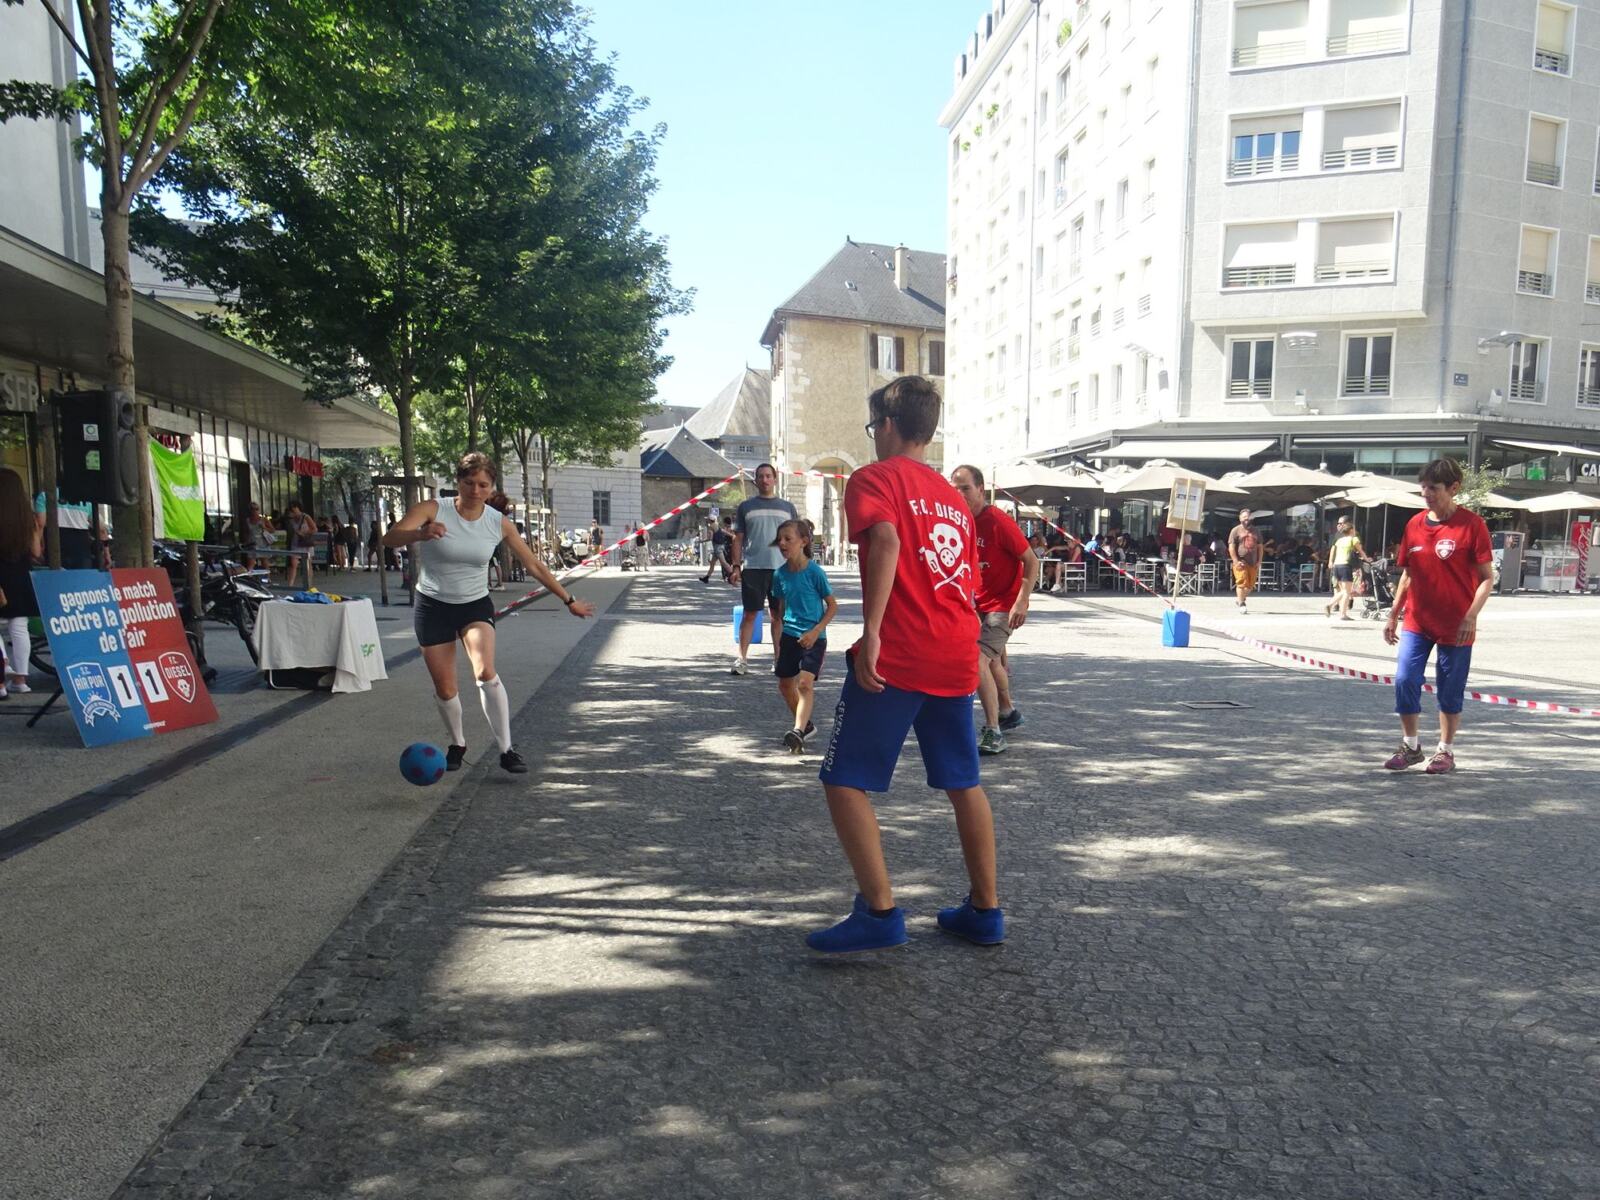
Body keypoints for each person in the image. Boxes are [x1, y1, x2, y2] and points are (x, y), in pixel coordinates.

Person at [809, 375, 1002, 954]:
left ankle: (880, 911)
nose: (873, 438)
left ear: (888, 425)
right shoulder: (954, 498)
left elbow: (887, 542)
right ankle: (985, 911)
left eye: (873, 428)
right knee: (963, 781)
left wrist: (870, 632)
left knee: (844, 779)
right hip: (954, 651)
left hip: (899, 651)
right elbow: (965, 579)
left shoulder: (873, 478)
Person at [385, 452, 596, 775]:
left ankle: (506, 749)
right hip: (433, 605)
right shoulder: (431, 510)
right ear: (458, 482)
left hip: (474, 604)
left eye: (483, 484)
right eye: (469, 483)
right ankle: (457, 743)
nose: (475, 490)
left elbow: (534, 565)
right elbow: (390, 539)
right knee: (445, 689)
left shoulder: (497, 522)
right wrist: (419, 534)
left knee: (485, 670)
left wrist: (569, 600)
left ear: (492, 486)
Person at [1382, 458, 1493, 774]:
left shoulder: (1472, 525)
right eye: (1424, 487)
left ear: (1454, 488)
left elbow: (1487, 578)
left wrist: (1471, 615)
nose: (1426, 493)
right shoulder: (1414, 524)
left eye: (1434, 488)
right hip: (1418, 620)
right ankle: (1411, 746)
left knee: (1450, 688)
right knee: (1405, 679)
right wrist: (1393, 615)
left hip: (1457, 623)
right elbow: (1408, 575)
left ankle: (1445, 750)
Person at [951, 464, 1037, 756]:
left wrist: (1022, 601)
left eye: (965, 488)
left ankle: (993, 731)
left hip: (1003, 606)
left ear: (980, 489)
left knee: (976, 662)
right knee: (993, 663)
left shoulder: (998, 520)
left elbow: (1031, 560)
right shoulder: (960, 521)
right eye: (955, 488)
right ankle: (1008, 711)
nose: (959, 493)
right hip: (976, 604)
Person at [770, 518, 836, 752]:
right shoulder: (779, 575)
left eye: (788, 539)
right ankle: (806, 725)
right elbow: (779, 609)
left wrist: (816, 631)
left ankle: (797, 731)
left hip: (814, 638)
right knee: (785, 686)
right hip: (790, 635)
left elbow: (832, 606)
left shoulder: (815, 572)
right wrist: (778, 642)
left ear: (804, 541)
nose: (783, 543)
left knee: (805, 684)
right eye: (780, 540)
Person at [728, 463, 797, 675]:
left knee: (779, 616)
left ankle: (779, 660)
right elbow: (738, 539)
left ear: (775, 479)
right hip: (753, 569)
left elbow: (795, 539)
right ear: (755, 480)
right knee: (750, 614)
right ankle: (742, 659)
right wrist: (736, 566)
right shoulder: (745, 507)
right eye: (761, 476)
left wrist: (798, 566)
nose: (765, 480)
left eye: (768, 476)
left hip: (782, 569)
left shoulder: (788, 508)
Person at [1, 468, 43, 698]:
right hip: (21, 575)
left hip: (2, 574)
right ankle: (21, 679)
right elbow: (36, 552)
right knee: (19, 627)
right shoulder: (26, 518)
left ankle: (3, 666)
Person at [32, 488, 98, 569]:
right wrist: (105, 551)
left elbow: (40, 524)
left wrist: (38, 549)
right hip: (81, 550)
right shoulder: (86, 499)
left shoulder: (44, 496)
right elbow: (100, 528)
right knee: (82, 580)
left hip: (55, 549)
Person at [1325, 516, 1370, 620]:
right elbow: (1361, 551)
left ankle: (1331, 605)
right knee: (1346, 591)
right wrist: (1367, 559)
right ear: (1351, 530)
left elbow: (1333, 550)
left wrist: (1331, 561)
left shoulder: (1339, 541)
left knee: (1343, 590)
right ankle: (1342, 613)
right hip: (1346, 566)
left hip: (1337, 566)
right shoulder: (1354, 539)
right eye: (1353, 529)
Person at [1227, 507, 1262, 613]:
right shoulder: (1235, 530)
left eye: (1248, 517)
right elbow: (1231, 547)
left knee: (1250, 586)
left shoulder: (1256, 531)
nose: (1246, 519)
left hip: (1253, 562)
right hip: (1241, 561)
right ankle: (1242, 604)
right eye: (1244, 517)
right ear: (1240, 518)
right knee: (1242, 583)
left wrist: (1259, 561)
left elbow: (1260, 546)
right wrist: (1235, 560)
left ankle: (1240, 599)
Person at [282, 502, 316, 587]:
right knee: (293, 563)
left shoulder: (306, 517)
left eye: (294, 510)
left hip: (305, 542)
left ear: (298, 508)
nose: (293, 512)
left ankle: (309, 583)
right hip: (296, 542)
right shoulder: (291, 519)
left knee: (308, 563)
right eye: (292, 511)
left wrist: (304, 533)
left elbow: (314, 529)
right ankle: (290, 584)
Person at [700, 516, 733, 584]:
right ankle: (706, 578)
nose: (707, 520)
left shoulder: (711, 527)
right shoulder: (717, 525)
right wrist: (732, 535)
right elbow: (723, 531)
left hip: (717, 548)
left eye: (707, 519)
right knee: (712, 564)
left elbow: (710, 538)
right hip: (718, 547)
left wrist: (702, 541)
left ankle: (733, 575)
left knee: (724, 563)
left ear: (709, 520)